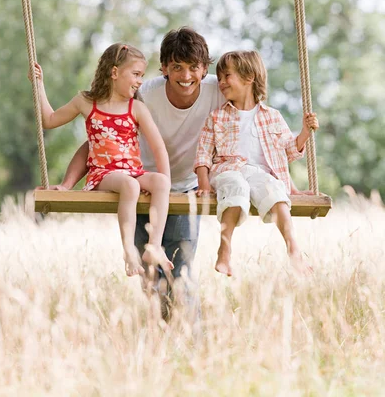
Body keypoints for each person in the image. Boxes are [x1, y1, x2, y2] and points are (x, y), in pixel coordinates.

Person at [49, 28, 224, 316]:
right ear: (164, 68)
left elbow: (254, 119)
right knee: (151, 278)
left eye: (194, 67)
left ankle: (192, 342)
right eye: (177, 67)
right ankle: (160, 342)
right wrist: (68, 183)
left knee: (181, 271)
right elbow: (97, 140)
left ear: (205, 69)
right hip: (138, 186)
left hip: (183, 190)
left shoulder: (217, 90)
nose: (186, 75)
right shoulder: (144, 94)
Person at [32, 42, 173, 277]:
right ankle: (129, 252)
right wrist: (39, 84)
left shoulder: (136, 107)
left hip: (133, 171)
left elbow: (159, 148)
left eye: (142, 75)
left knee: (160, 182)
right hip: (103, 174)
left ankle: (154, 246)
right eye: (136, 74)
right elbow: (50, 120)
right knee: (130, 185)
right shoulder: (86, 102)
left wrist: (166, 185)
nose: (140, 81)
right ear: (115, 72)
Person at [194, 50, 319, 277]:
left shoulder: (272, 116)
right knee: (237, 186)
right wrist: (203, 183)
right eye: (219, 77)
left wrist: (304, 132)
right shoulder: (216, 117)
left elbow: (288, 152)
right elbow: (203, 154)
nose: (221, 82)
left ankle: (294, 250)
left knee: (276, 193)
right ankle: (225, 248)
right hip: (227, 170)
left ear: (249, 77)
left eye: (227, 76)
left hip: (259, 174)